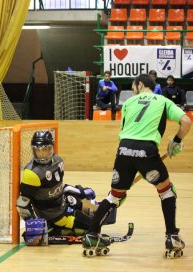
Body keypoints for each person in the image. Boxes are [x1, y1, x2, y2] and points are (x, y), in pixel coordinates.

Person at [82, 74, 191, 257]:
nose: (133, 89)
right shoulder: (163, 101)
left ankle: (91, 235)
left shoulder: (129, 103)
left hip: (123, 150)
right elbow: (186, 121)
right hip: (147, 150)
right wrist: (176, 140)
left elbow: (123, 132)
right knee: (166, 191)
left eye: (133, 86)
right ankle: (172, 236)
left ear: (140, 84)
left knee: (115, 196)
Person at [17, 131, 116, 241]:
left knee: (95, 210)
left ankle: (96, 209)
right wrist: (35, 226)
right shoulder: (31, 173)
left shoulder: (58, 161)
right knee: (93, 227)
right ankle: (55, 229)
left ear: (51, 149)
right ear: (33, 150)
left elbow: (59, 185)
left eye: (45, 149)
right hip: (56, 215)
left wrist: (78, 191)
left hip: (63, 200)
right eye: (38, 150)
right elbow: (23, 203)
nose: (42, 154)